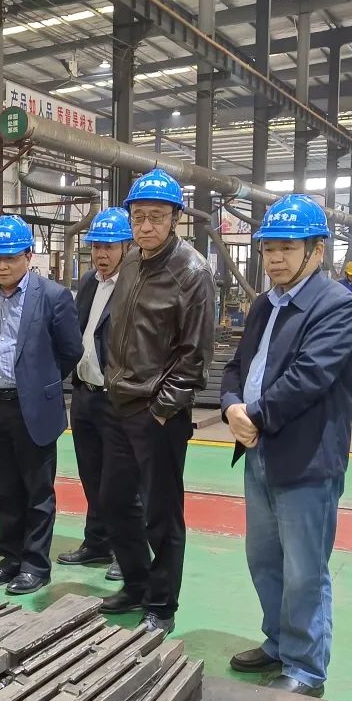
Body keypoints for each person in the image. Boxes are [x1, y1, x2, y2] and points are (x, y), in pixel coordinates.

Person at [220, 194, 352, 697]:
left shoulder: (336, 306)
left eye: (287, 247)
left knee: (304, 570)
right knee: (264, 560)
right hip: (258, 453)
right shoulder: (264, 305)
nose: (275, 258)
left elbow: (308, 377)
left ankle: (305, 669)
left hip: (306, 460)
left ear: (317, 251)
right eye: (269, 248)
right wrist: (231, 406)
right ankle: (279, 643)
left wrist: (253, 416)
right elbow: (236, 366)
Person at [101, 169, 216, 635]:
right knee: (113, 504)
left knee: (162, 514)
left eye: (156, 216)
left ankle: (162, 604)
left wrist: (163, 409)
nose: (146, 226)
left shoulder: (192, 272)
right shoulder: (131, 261)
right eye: (139, 216)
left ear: (175, 219)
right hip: (119, 403)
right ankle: (136, 584)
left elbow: (195, 354)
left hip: (157, 413)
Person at [0, 214, 83, 595]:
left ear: (29, 256)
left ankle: (35, 565)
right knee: (4, 490)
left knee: (37, 491)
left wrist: (40, 384)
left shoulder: (53, 296)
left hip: (33, 407)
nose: (1, 265)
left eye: (10, 257)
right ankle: (10, 558)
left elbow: (70, 351)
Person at [57, 207, 133, 582]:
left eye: (109, 247)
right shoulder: (89, 281)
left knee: (122, 481)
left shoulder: (136, 285)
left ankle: (127, 550)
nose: (101, 254)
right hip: (85, 393)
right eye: (97, 247)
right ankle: (98, 542)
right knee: (91, 474)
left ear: (126, 247)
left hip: (117, 398)